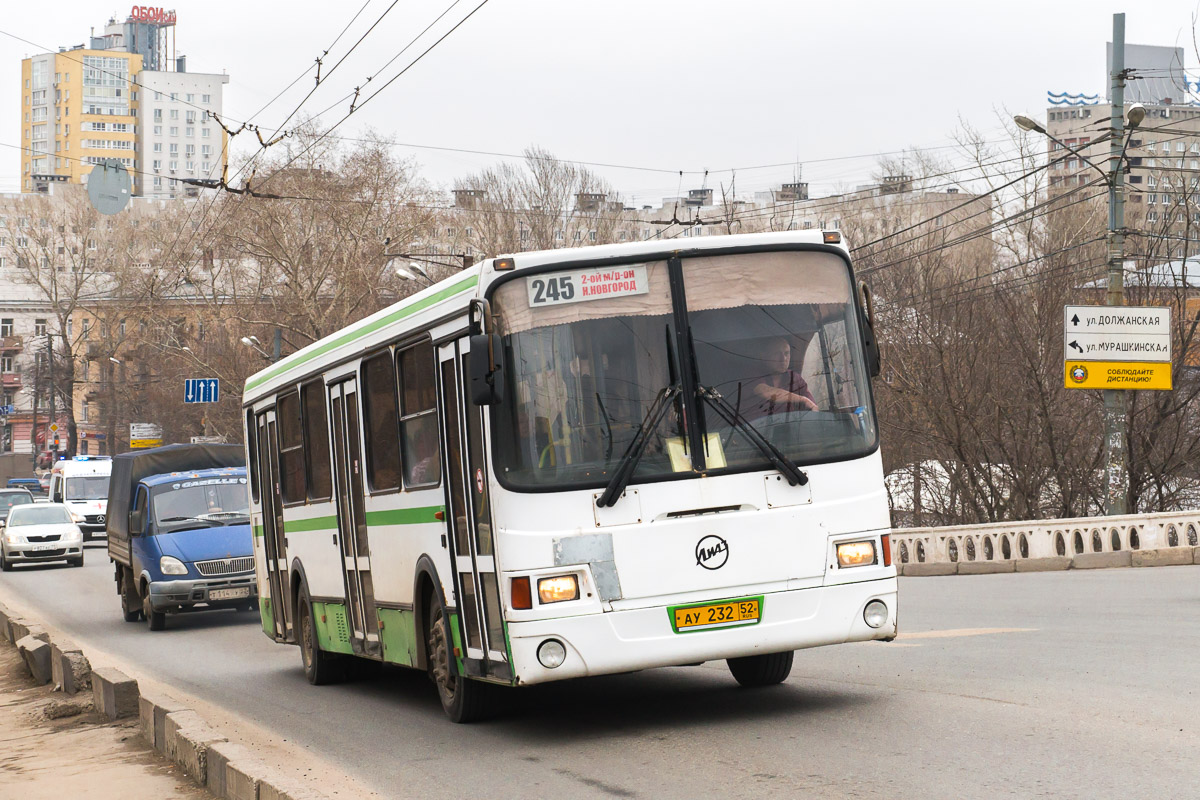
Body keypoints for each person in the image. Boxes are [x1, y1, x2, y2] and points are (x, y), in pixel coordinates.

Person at [745, 336, 818, 419]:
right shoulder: (752, 373)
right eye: (777, 354)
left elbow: (812, 406)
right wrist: (801, 399)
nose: (783, 359)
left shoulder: (795, 378)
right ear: (765, 356)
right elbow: (765, 391)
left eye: (786, 353)